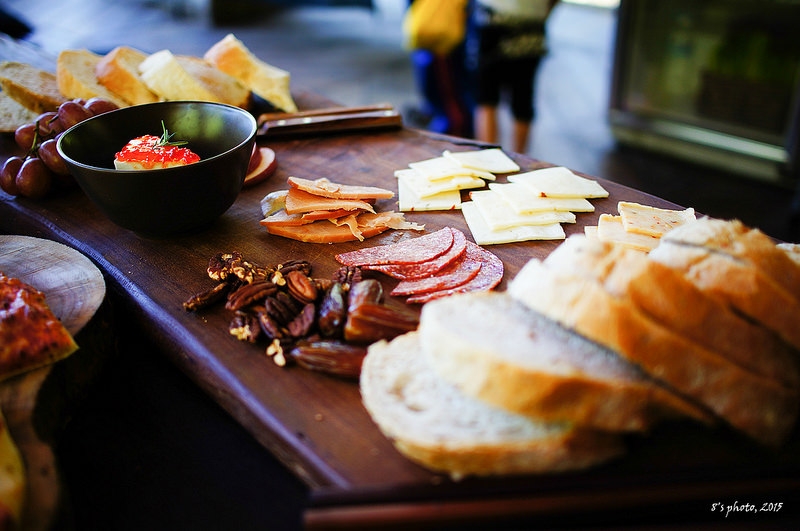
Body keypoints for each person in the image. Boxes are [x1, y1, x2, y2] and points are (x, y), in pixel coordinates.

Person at [469, 0, 558, 153]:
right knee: (523, 97)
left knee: (486, 97)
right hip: (532, 23)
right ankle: (520, 161)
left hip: (493, 19)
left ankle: (486, 159)